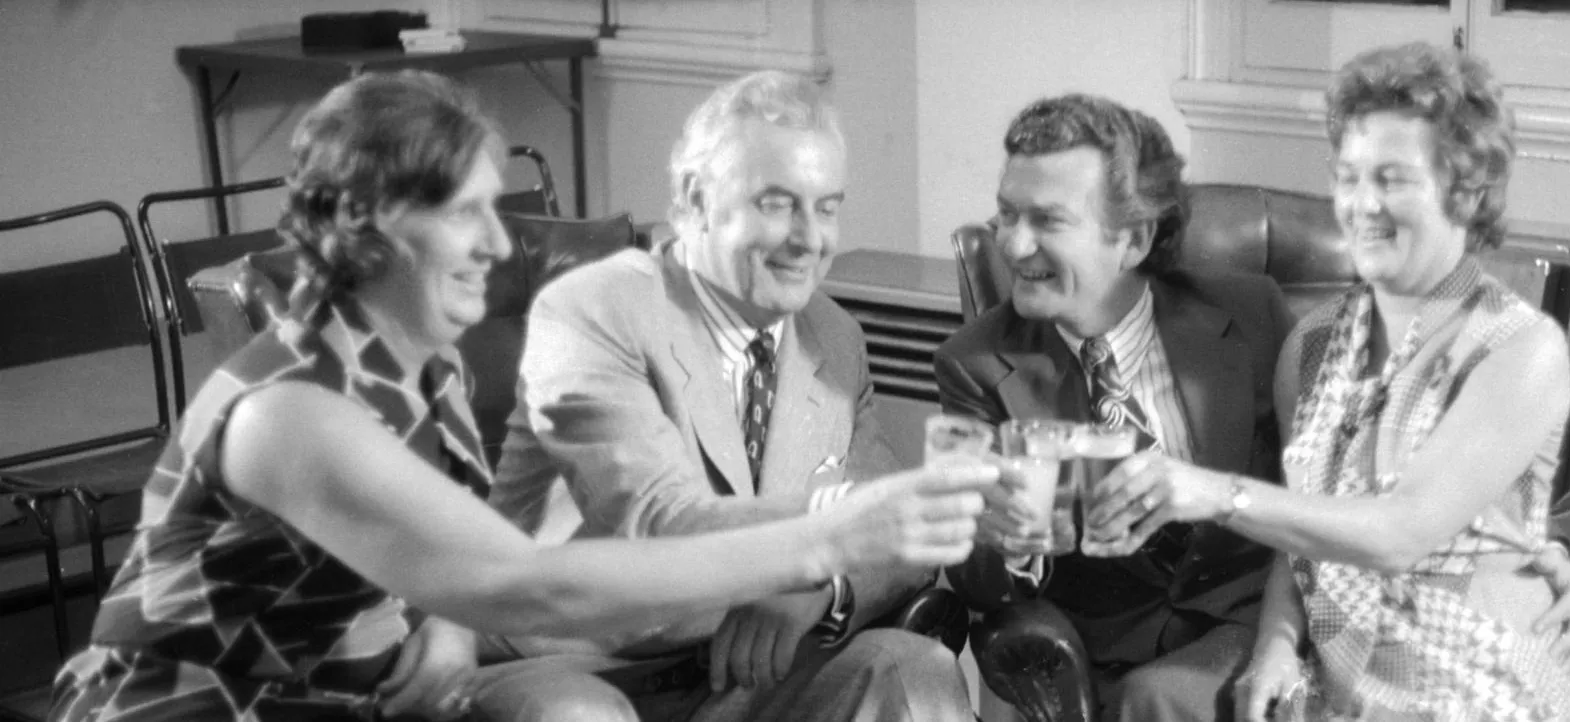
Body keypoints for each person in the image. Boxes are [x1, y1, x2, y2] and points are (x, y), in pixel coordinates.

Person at [45, 70, 992, 722]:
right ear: (368, 227)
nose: (501, 247)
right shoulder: (291, 410)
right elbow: (525, 580)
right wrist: (831, 535)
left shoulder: (426, 373)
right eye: (467, 214)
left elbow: (445, 556)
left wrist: (447, 626)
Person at [1083, 43, 1570, 720]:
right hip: (1346, 675)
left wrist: (1212, 493)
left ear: (1465, 189)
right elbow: (1304, 534)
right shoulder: (1314, 342)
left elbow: (1400, 531)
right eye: (1348, 176)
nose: (1362, 205)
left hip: (1479, 680)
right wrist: (1274, 642)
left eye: (1391, 179)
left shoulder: (1520, 349)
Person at [476, 70, 975, 721]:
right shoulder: (596, 312)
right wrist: (837, 536)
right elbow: (658, 525)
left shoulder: (833, 334)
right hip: (571, 664)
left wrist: (820, 592)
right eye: (776, 203)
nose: (809, 238)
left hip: (741, 672)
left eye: (825, 207)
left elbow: (897, 554)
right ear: (693, 202)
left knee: (913, 671)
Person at [933, 93, 1293, 721]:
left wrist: (1281, 640)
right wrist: (1007, 542)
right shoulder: (977, 361)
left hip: (1254, 627)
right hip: (1112, 657)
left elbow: (1315, 491)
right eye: (1006, 215)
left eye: (1047, 221)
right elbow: (976, 578)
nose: (1014, 247)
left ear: (1133, 238)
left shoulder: (1250, 313)